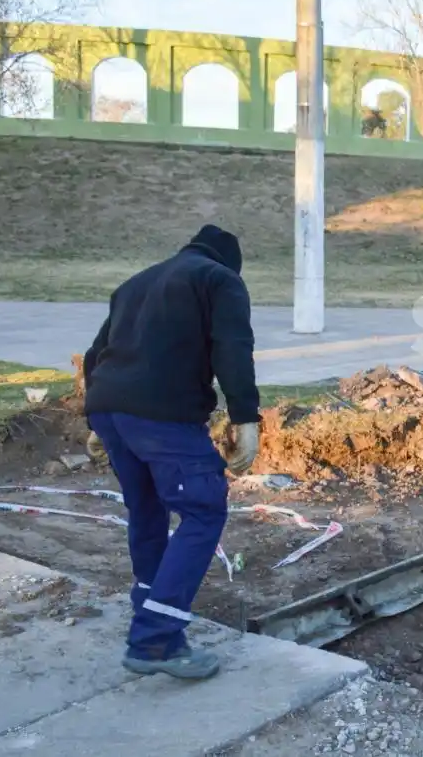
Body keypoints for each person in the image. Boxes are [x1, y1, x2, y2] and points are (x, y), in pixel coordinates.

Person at [83, 224, 261, 680]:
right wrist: (246, 417)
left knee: (147, 513)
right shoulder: (220, 280)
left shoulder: (137, 282)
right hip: (164, 417)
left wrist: (96, 418)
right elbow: (233, 349)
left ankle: (159, 627)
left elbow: (95, 354)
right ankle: (154, 639)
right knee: (202, 511)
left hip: (111, 411)